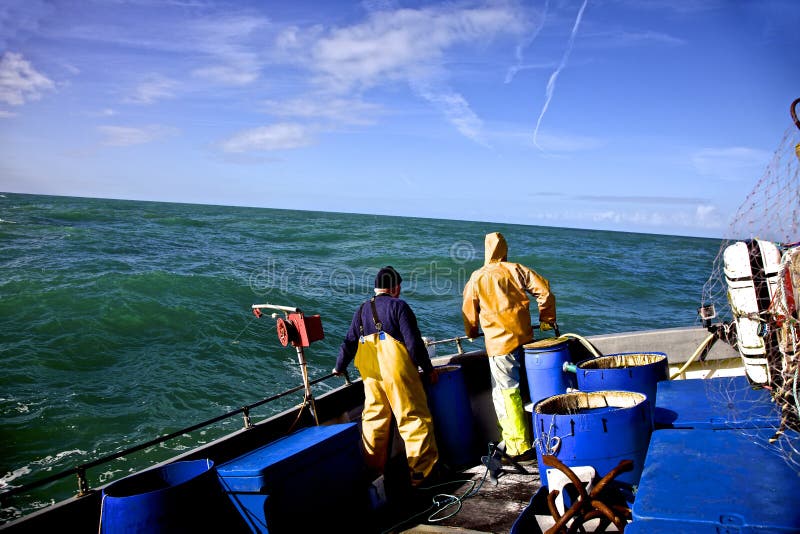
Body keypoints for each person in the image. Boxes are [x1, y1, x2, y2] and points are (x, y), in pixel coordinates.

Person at [334, 266, 441, 488]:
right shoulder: (399, 306)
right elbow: (414, 344)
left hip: (372, 376)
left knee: (374, 420)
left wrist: (339, 366)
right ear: (395, 288)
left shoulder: (361, 310)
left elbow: (349, 342)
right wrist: (428, 368)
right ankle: (420, 473)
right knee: (413, 419)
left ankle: (374, 472)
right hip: (398, 373)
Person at [461, 232, 556, 462]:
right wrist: (546, 319)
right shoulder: (516, 269)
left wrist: (472, 333)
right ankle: (542, 436)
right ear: (504, 250)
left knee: (506, 394)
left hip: (499, 344)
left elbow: (468, 311)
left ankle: (518, 446)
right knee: (527, 389)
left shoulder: (477, 277)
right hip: (525, 339)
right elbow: (544, 291)